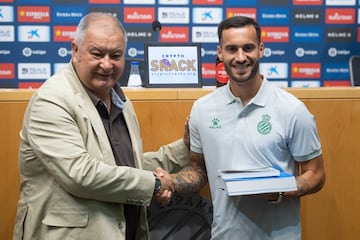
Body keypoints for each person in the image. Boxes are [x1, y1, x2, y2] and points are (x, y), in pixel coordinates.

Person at [13, 12, 189, 240]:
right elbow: (81, 174)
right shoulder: (51, 100)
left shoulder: (120, 101)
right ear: (75, 50)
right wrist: (155, 184)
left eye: (115, 55)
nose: (106, 64)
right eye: (97, 54)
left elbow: (125, 165)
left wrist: (186, 148)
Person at [165, 16, 326, 239]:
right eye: (232, 49)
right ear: (220, 53)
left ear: (260, 49)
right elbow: (198, 169)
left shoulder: (293, 110)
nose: (240, 57)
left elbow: (316, 174)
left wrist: (279, 190)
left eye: (248, 48)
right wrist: (172, 182)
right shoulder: (202, 109)